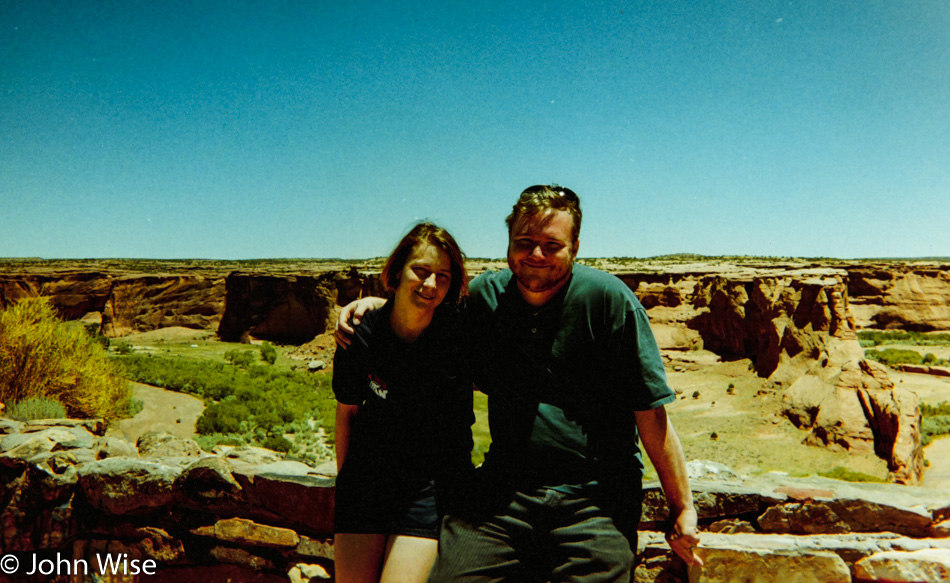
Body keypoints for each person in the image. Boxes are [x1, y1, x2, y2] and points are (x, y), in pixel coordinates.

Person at [337, 186, 702, 582]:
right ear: (509, 242)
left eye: (552, 244)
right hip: (503, 490)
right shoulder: (484, 299)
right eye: (525, 242)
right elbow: (424, 308)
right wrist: (373, 306)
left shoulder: (608, 301)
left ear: (575, 247)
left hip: (594, 496)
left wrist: (682, 506)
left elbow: (650, 411)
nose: (537, 256)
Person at [332, 222, 475, 583]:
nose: (430, 285)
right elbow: (347, 412)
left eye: (443, 276)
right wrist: (345, 485)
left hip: (426, 491)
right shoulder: (359, 332)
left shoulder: (457, 334)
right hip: (365, 482)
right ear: (396, 272)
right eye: (421, 271)